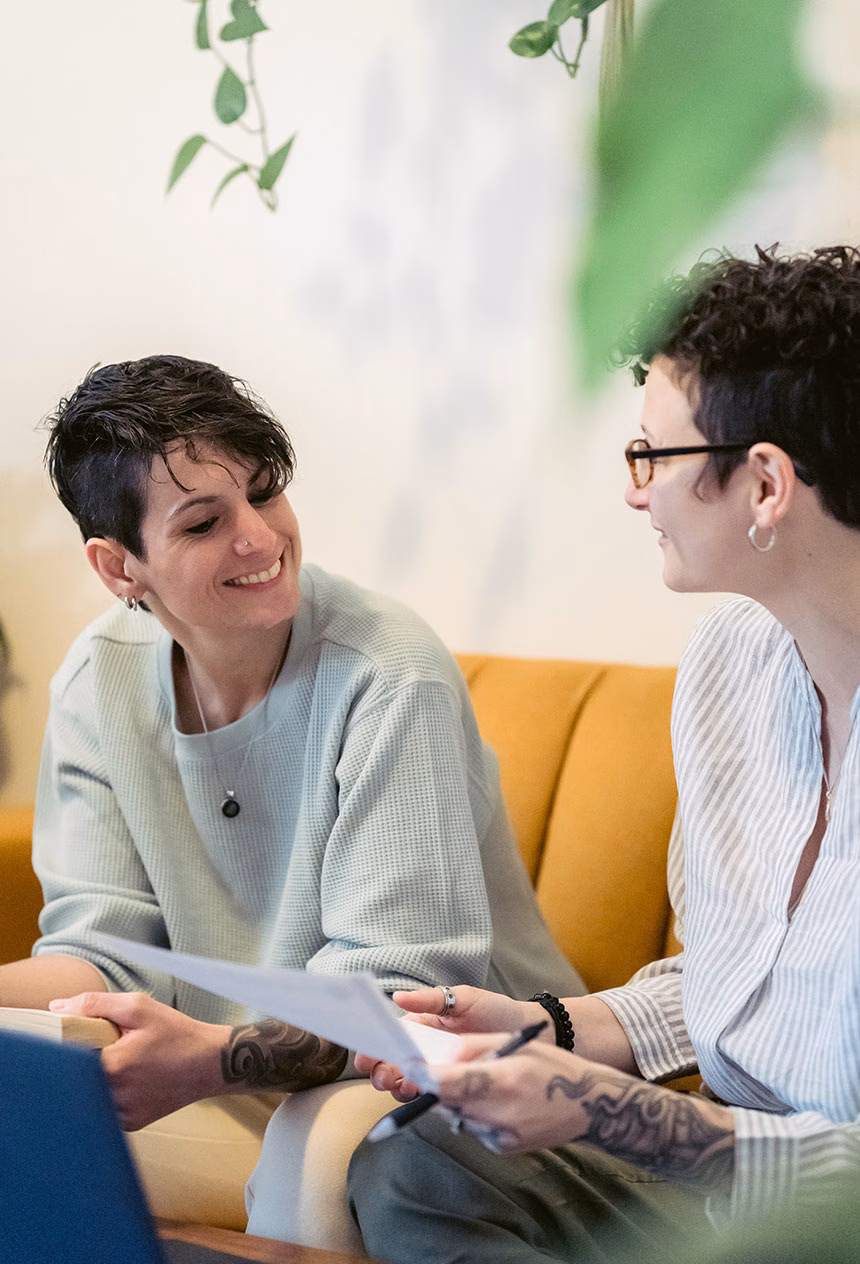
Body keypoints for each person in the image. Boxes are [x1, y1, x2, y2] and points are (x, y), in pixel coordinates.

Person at [348, 244, 860, 1263]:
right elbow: (734, 979)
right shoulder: (727, 662)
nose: (636, 493)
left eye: (651, 457)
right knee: (418, 1159)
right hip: (726, 1202)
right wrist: (543, 1029)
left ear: (762, 483)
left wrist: (620, 1114)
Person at [5, 354, 583, 1225]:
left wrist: (207, 1058)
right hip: (237, 1072)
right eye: (203, 524)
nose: (260, 538)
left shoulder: (387, 673)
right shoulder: (98, 681)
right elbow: (102, 952)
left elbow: (402, 996)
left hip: (443, 1074)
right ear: (120, 566)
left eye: (265, 492)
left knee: (308, 1173)